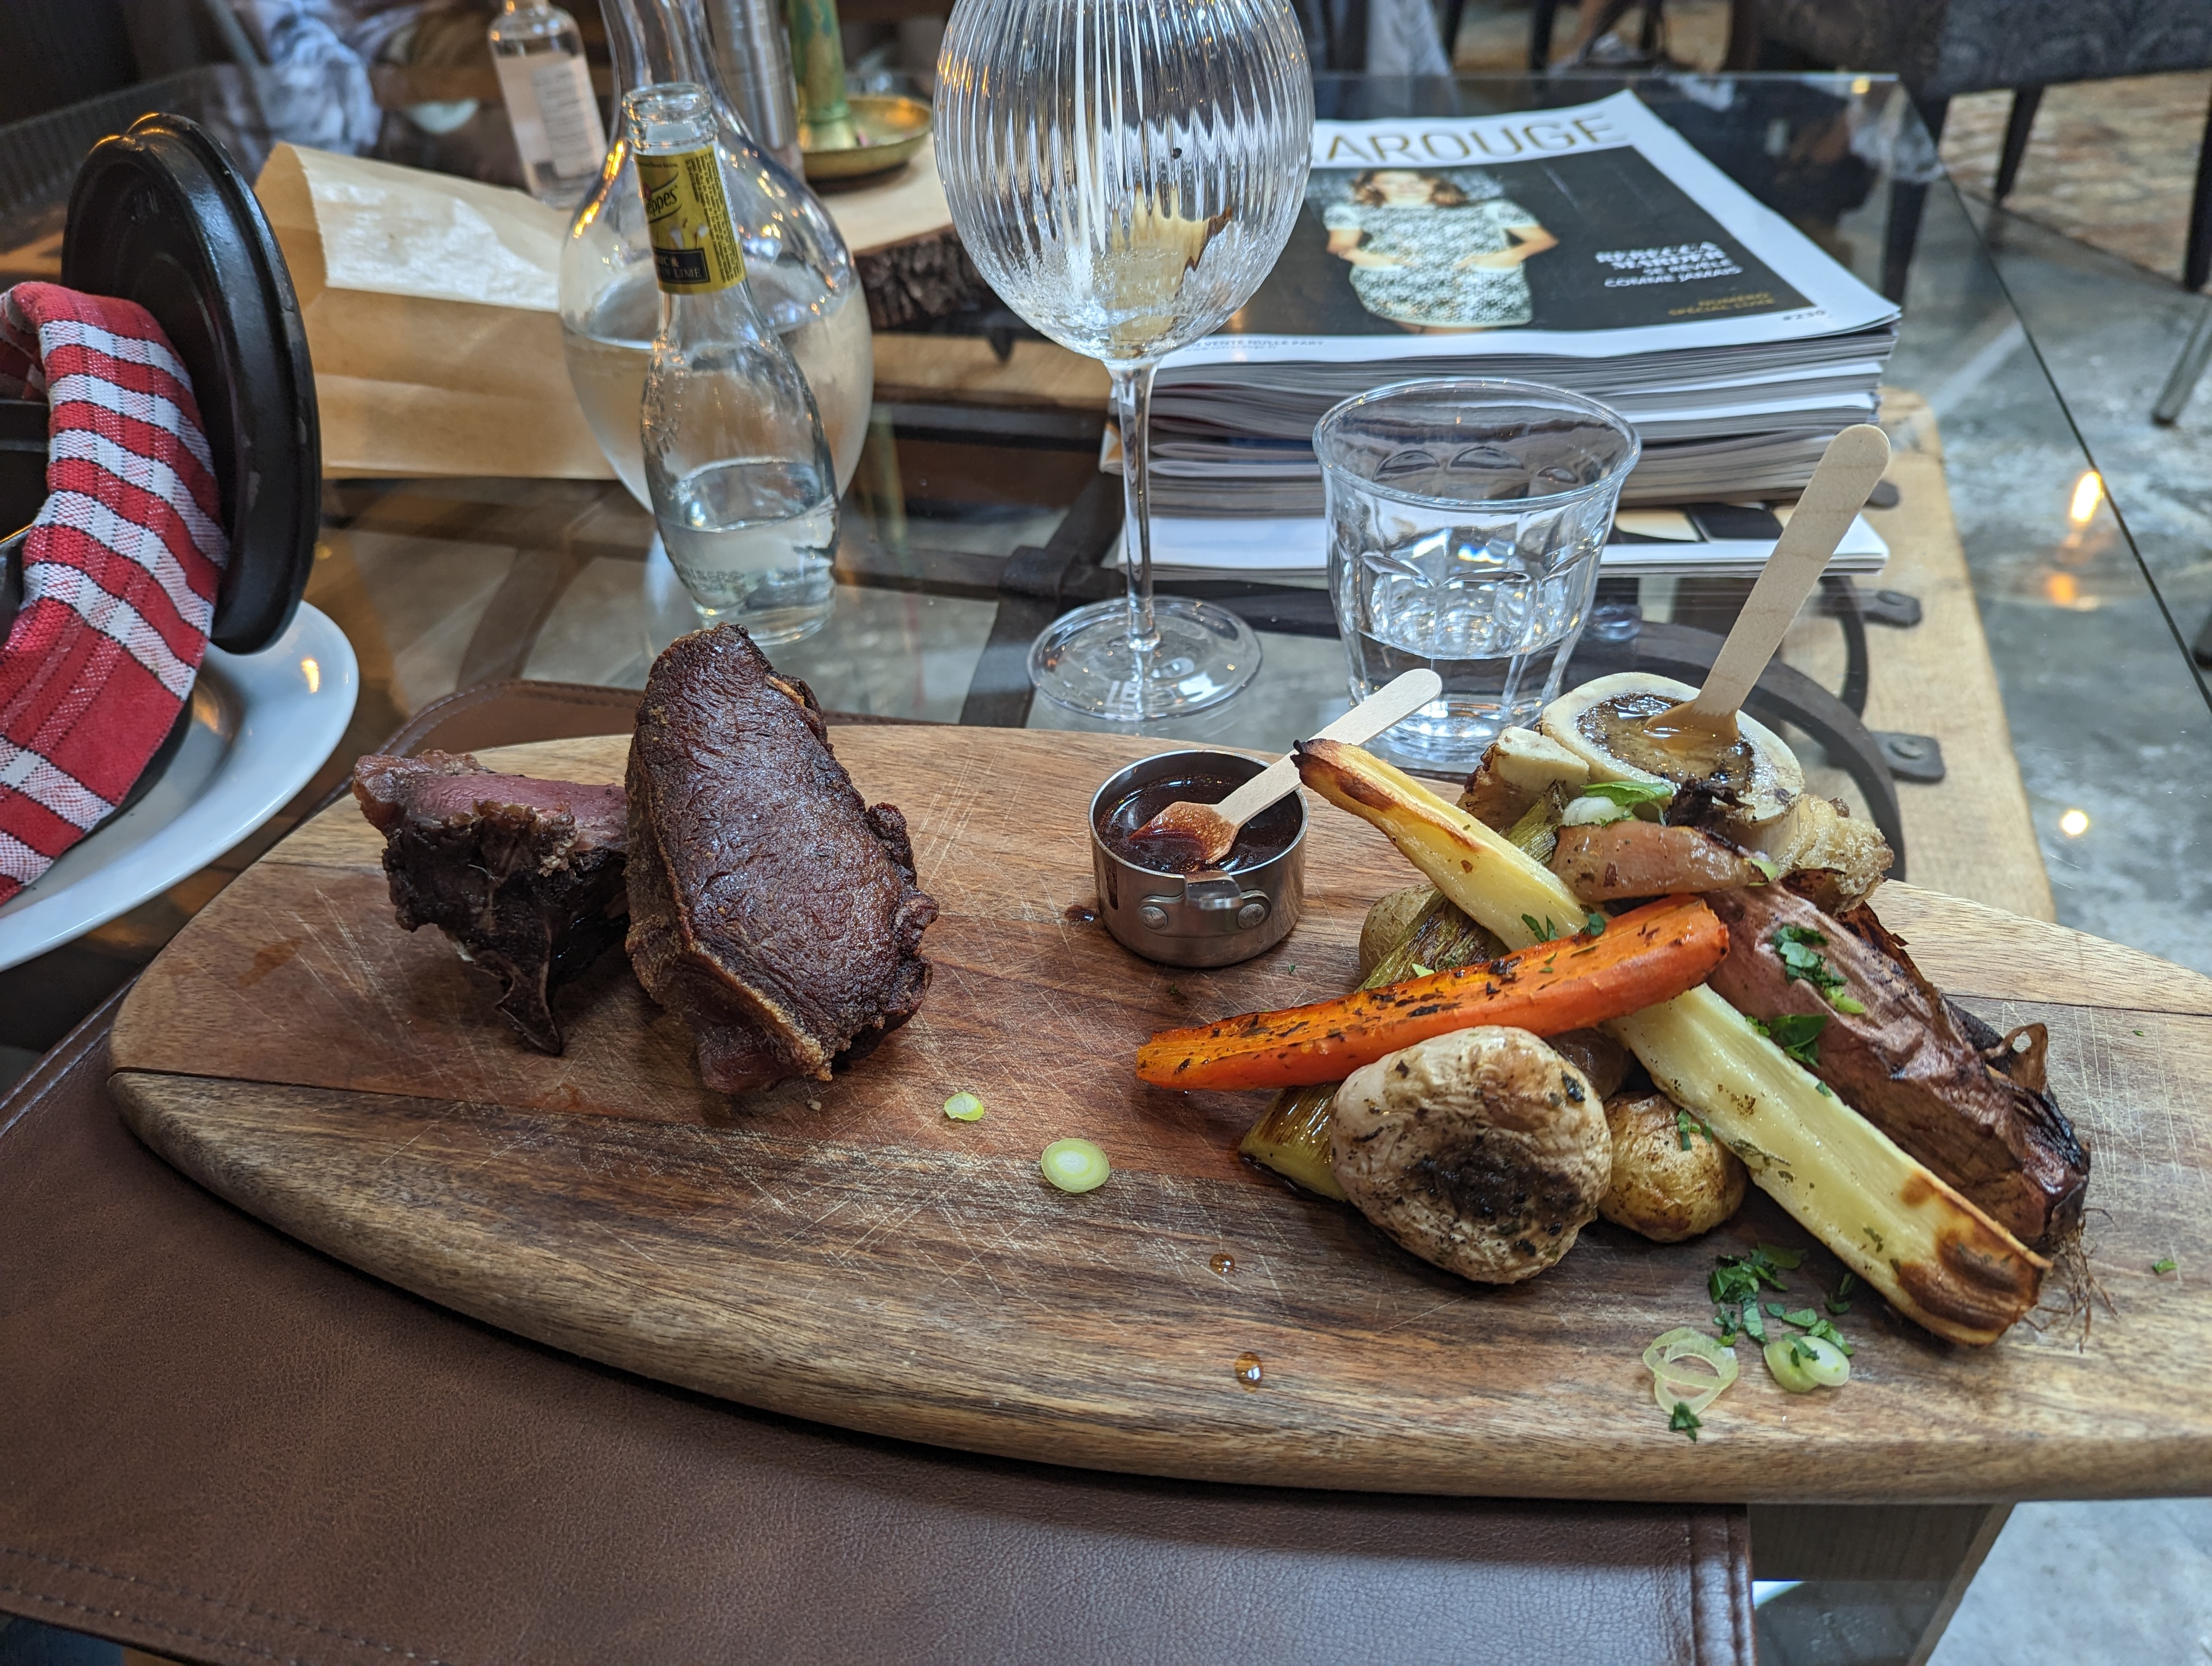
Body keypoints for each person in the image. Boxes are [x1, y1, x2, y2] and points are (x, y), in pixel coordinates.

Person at [1322, 168, 1559, 331]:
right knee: (1446, 353)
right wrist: (1368, 259)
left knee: (1442, 349)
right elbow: (1340, 245)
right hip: (1399, 284)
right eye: (1391, 181)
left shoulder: (1490, 208)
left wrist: (1508, 256)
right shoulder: (1351, 211)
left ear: (1435, 181)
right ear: (1372, 185)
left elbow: (1543, 240)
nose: (1406, 187)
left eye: (1417, 180)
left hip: (1476, 283)